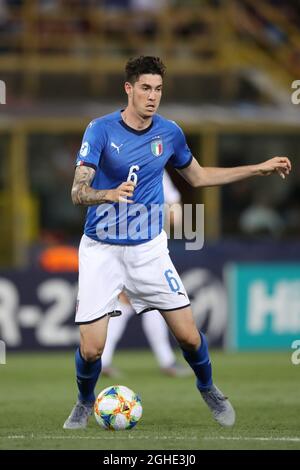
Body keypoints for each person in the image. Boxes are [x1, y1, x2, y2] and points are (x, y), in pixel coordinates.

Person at [63, 55, 291, 429]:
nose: (152, 97)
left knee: (187, 335)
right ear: (129, 89)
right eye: (146, 89)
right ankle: (85, 402)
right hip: (101, 248)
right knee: (92, 348)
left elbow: (198, 177)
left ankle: (209, 387)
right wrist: (107, 194)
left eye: (158, 90)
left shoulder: (169, 132)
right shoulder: (100, 130)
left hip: (148, 250)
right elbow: (77, 191)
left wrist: (257, 167)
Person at [101, 171, 190, 378]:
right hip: (143, 246)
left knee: (128, 301)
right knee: (147, 301)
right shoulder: (156, 167)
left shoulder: (115, 163)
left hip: (114, 241)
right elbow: (175, 212)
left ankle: (103, 360)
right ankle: (166, 361)